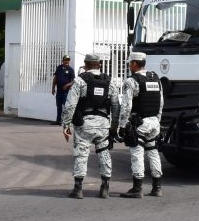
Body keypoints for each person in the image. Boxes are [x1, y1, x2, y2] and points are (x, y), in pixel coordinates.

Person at [61, 54, 121, 199]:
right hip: (103, 124)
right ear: (99, 65)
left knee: (81, 154)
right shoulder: (109, 82)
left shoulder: (80, 80)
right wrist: (114, 127)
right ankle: (105, 187)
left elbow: (70, 106)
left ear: (86, 64)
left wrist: (66, 125)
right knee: (104, 153)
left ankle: (78, 188)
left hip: (84, 124)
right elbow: (116, 106)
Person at [117, 51, 164, 198]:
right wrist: (157, 119)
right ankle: (157, 188)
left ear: (134, 64)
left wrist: (122, 126)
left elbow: (126, 106)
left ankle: (137, 189)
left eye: (130, 64)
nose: (129, 66)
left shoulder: (131, 81)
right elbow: (161, 102)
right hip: (154, 122)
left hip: (140, 123)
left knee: (137, 153)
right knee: (153, 152)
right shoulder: (155, 79)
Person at [51, 55, 75, 126]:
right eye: (65, 60)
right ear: (63, 61)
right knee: (59, 106)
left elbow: (73, 81)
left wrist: (67, 85)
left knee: (65, 107)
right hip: (59, 91)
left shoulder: (71, 70)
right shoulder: (59, 68)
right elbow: (55, 78)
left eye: (68, 60)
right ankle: (58, 121)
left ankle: (65, 121)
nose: (67, 61)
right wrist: (53, 88)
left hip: (66, 92)